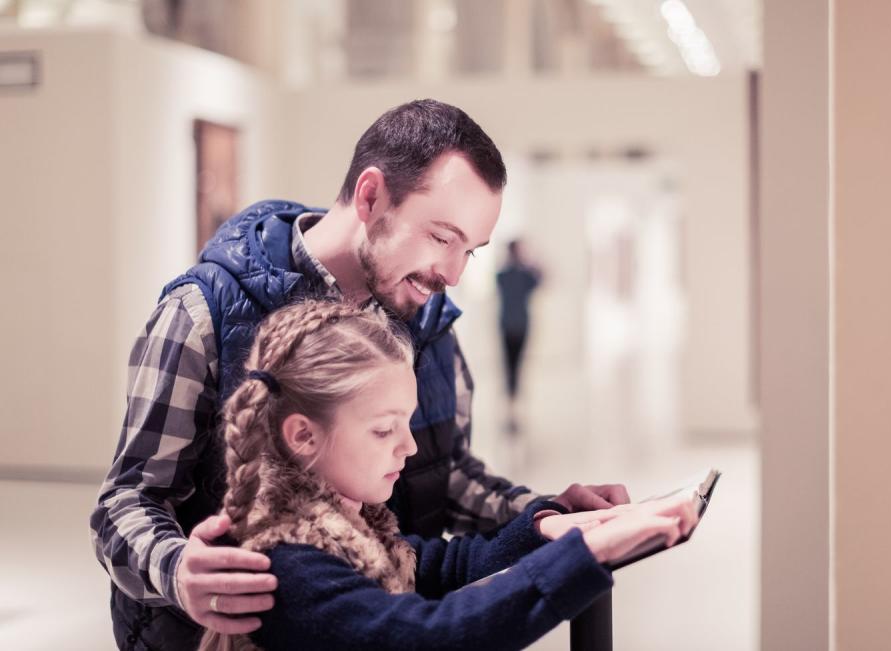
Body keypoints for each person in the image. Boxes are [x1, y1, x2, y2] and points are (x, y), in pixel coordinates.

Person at [91, 99, 632, 650]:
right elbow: (127, 500)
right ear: (371, 196)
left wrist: (550, 516)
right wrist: (179, 570)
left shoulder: (431, 321)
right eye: (442, 238)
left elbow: (448, 473)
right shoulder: (203, 312)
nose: (452, 273)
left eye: (469, 249)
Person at [198, 299, 699, 651]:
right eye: (383, 430)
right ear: (303, 436)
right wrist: (585, 556)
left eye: (407, 423)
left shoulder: (350, 521)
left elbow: (434, 564)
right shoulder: (288, 564)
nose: (409, 446)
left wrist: (546, 528)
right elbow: (426, 635)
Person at [496, 239, 541, 403]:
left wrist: (530, 263)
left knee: (515, 365)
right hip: (510, 325)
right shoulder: (505, 274)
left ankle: (513, 398)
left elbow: (540, 279)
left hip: (519, 325)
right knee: (510, 365)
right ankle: (511, 399)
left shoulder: (519, 275)